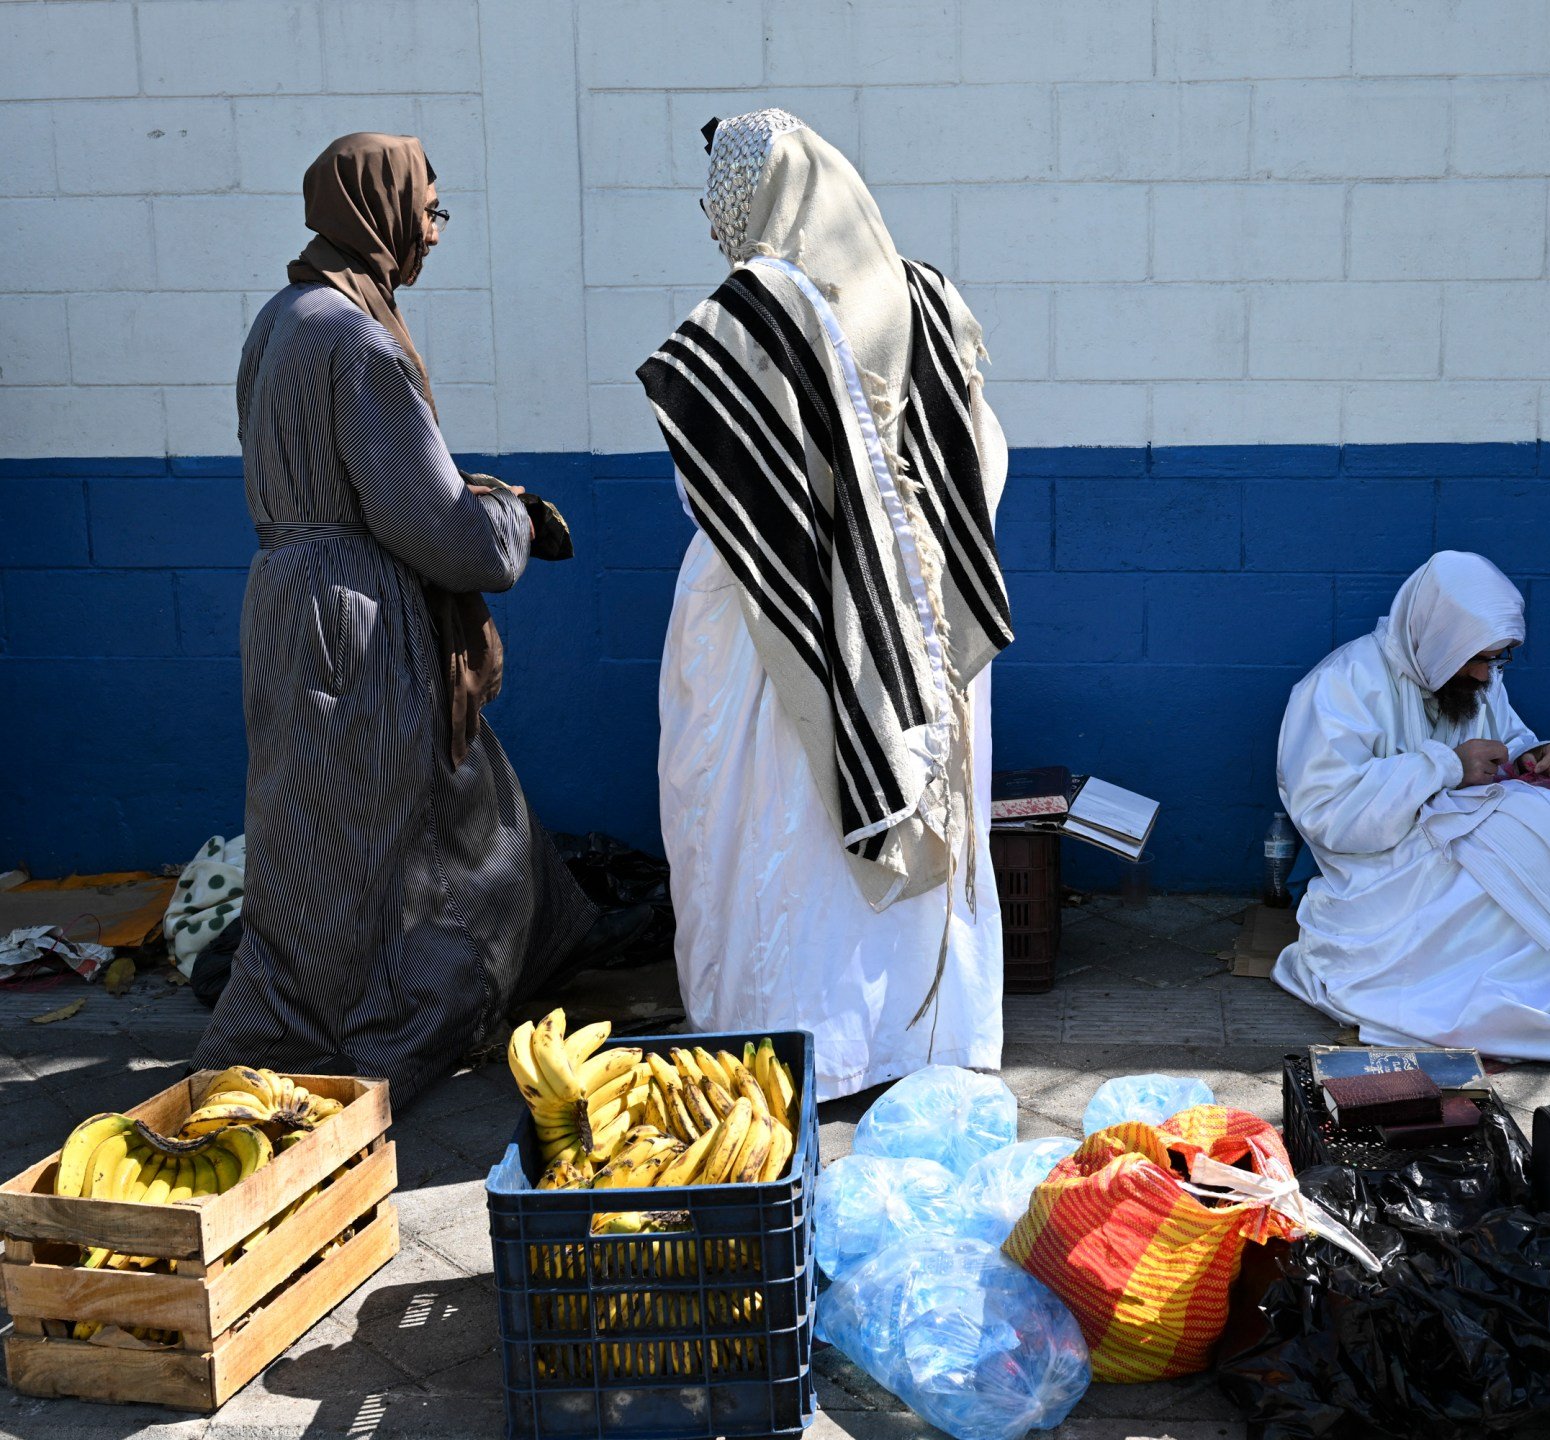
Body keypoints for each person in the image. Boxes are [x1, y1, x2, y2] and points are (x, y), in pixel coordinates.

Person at [194, 133, 596, 1106]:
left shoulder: (281, 318)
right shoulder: (359, 342)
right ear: (376, 209)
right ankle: (386, 1033)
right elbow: (444, 533)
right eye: (427, 209)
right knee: (390, 842)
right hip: (358, 625)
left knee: (311, 834)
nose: (432, 232)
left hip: (289, 608)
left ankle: (281, 1026)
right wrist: (512, 515)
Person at [638, 109, 1015, 1101]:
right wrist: (899, 557)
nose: (709, 207)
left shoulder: (754, 310)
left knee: (784, 834)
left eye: (722, 184)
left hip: (776, 628)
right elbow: (983, 461)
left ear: (758, 190)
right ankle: (917, 1044)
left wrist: (841, 560)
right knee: (900, 807)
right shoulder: (926, 297)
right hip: (920, 635)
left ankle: (798, 1045)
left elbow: (714, 488)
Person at [1272, 551, 1550, 1063]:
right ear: (1438, 641)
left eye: (1498, 659)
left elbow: (1509, 740)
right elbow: (1328, 814)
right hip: (1388, 864)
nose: (1486, 675)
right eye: (1478, 658)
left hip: (1471, 826)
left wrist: (1544, 755)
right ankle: (1537, 1000)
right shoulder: (1339, 686)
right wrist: (1443, 767)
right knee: (1521, 859)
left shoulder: (1476, 680)